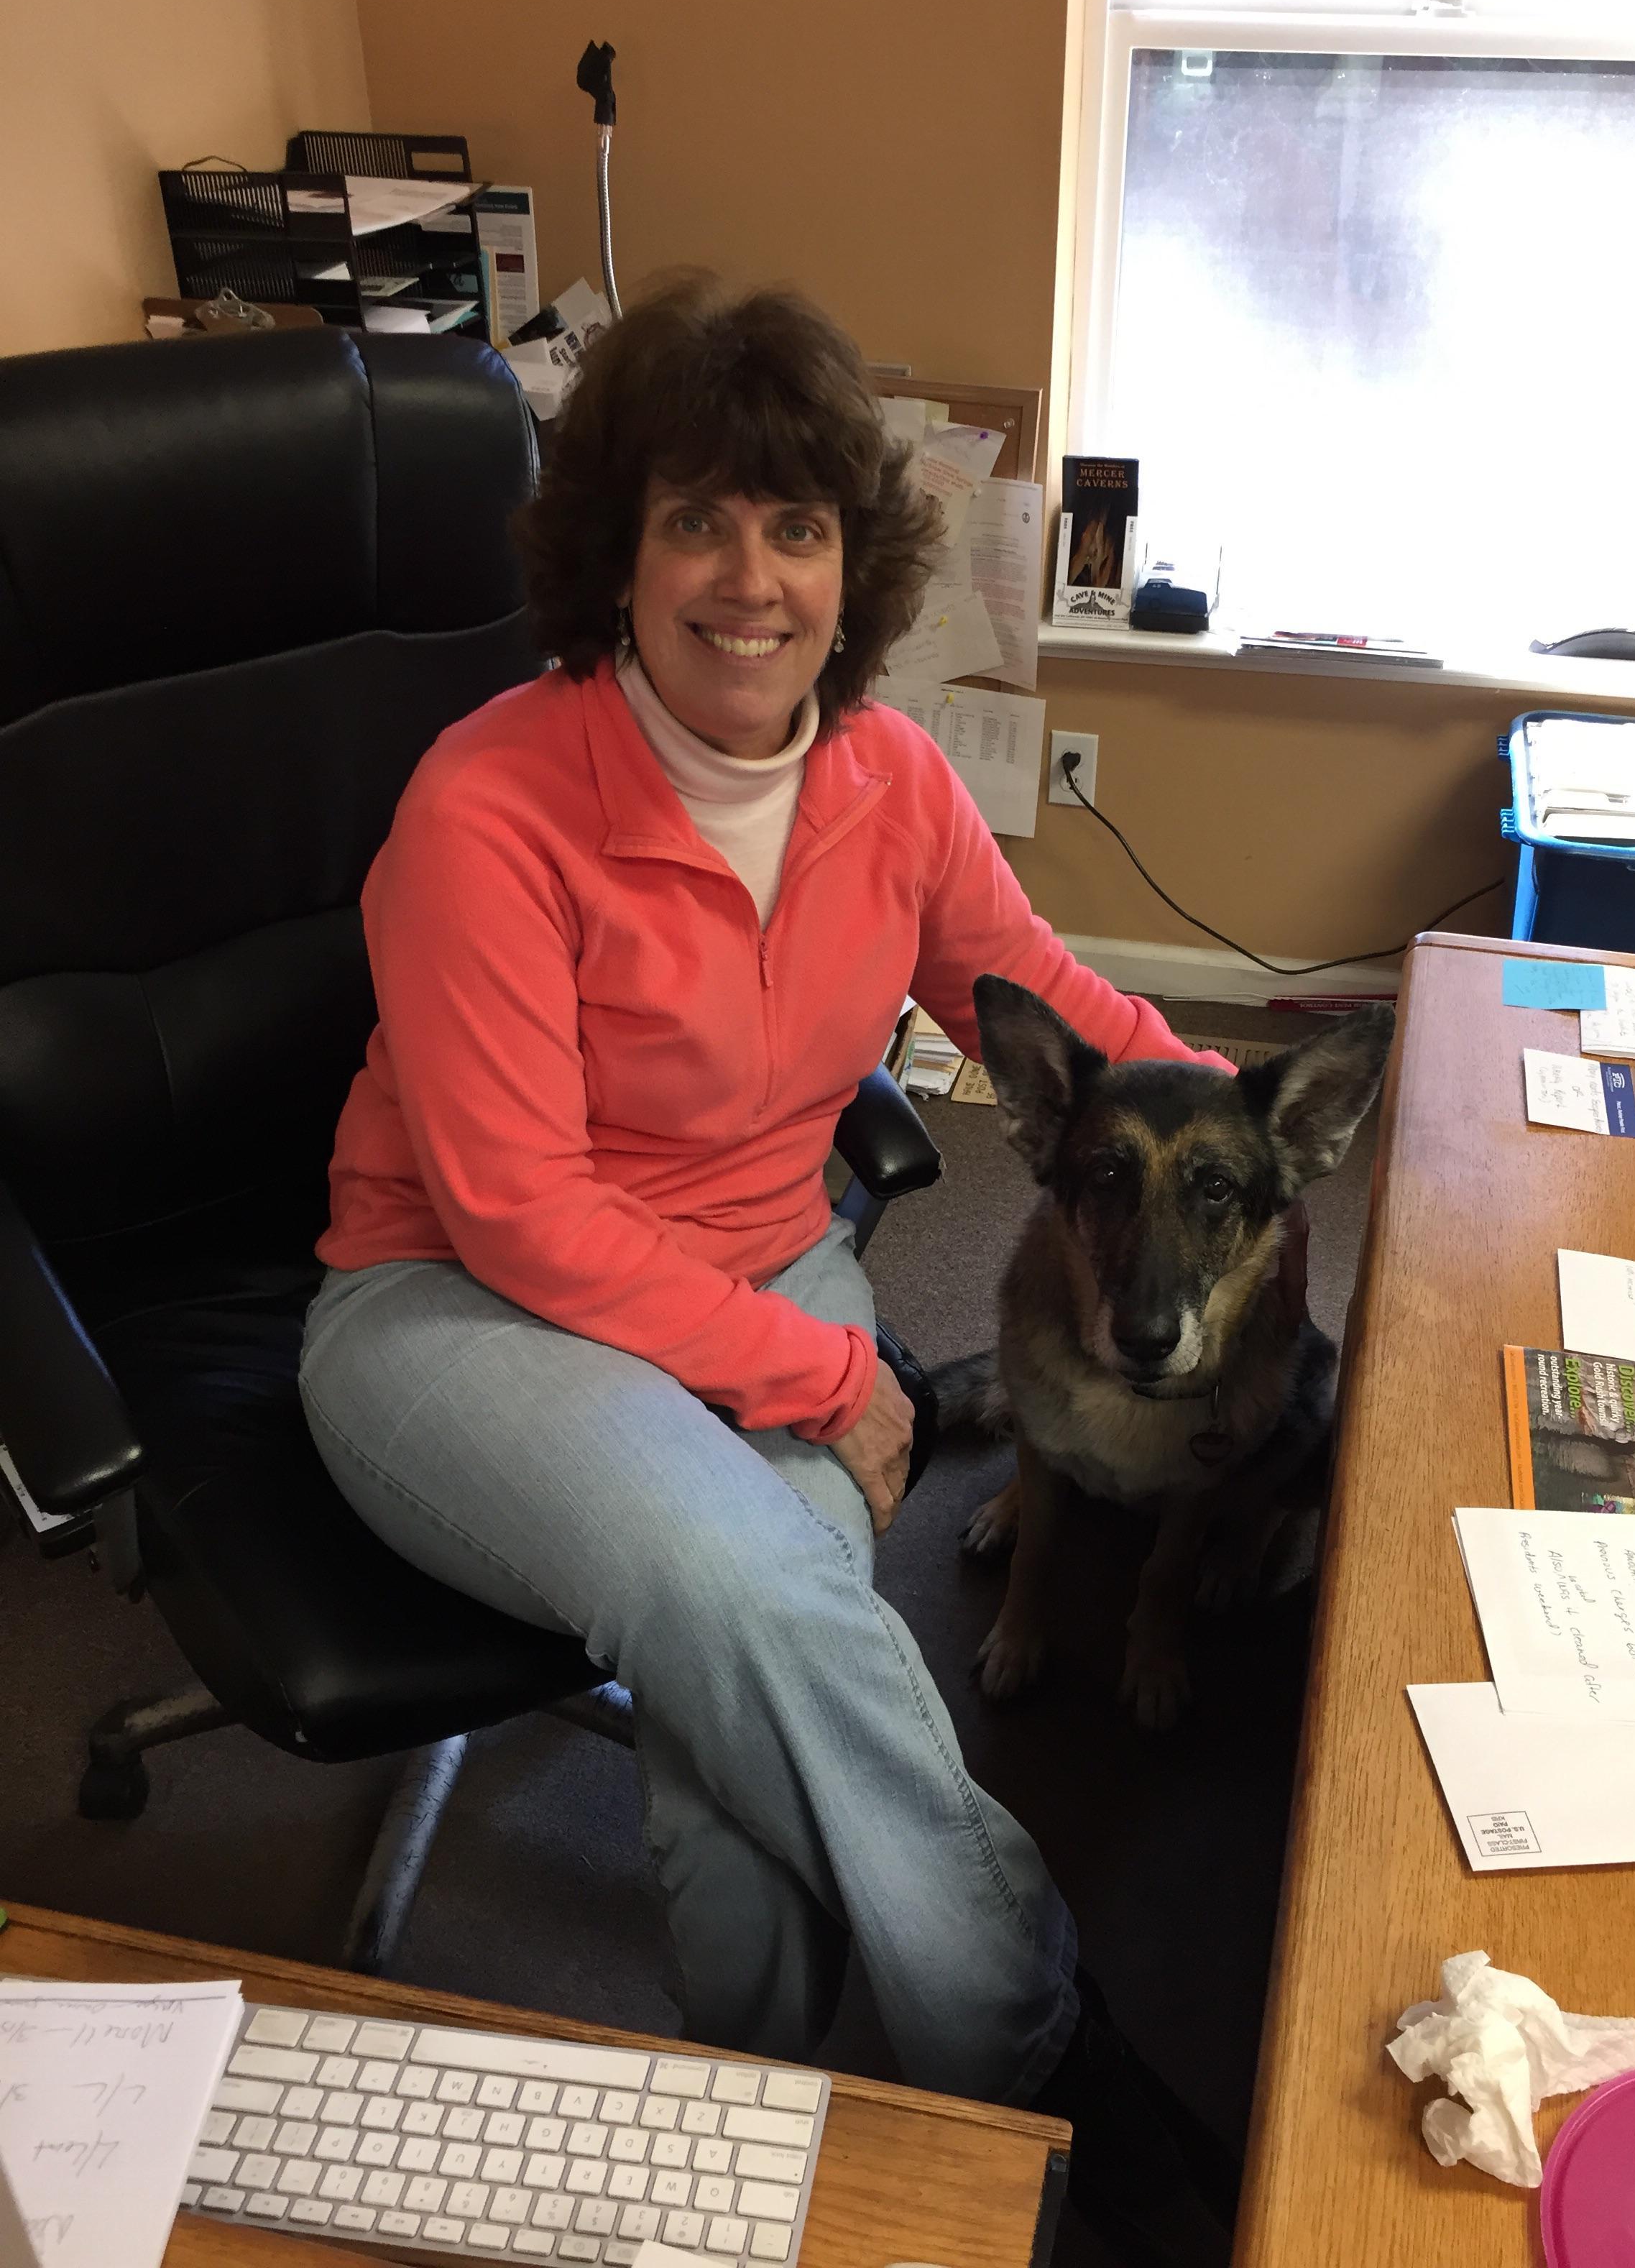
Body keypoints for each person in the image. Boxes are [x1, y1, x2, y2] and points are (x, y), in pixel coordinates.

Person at [298, 272, 1243, 2264]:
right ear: (618, 555)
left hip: (755, 1273)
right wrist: (833, 1376)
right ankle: (1037, 2041)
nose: (751, 581)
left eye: (795, 527)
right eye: (698, 521)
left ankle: (770, 2136)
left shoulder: (887, 784)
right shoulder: (486, 808)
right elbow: (516, 1211)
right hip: (455, 1312)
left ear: (849, 563)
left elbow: (1045, 1008)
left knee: (736, 1734)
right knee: (731, 1580)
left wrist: (1248, 1113)